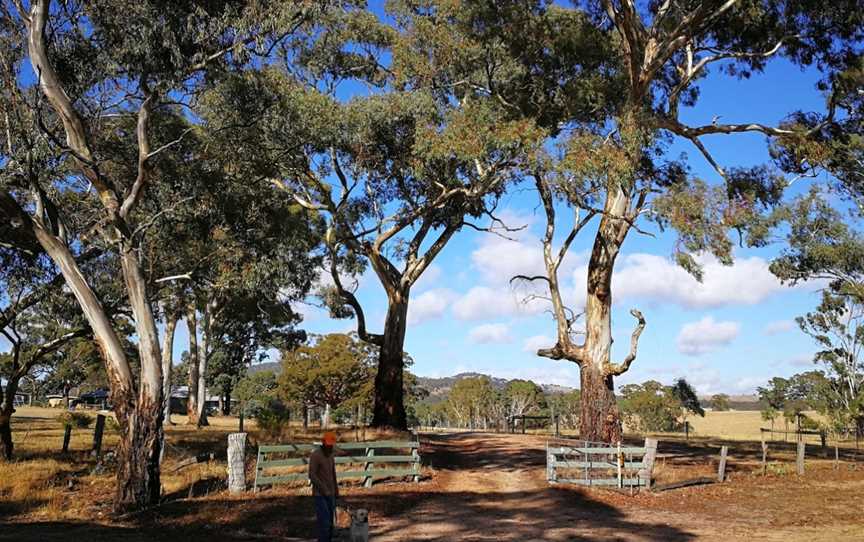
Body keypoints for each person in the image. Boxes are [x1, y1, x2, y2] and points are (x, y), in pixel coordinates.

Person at [309, 431, 339, 542]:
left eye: (331, 444)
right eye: (328, 444)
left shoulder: (331, 455)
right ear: (323, 443)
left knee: (331, 524)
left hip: (331, 494)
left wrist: (336, 490)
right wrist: (324, 490)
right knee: (324, 523)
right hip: (320, 495)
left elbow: (333, 473)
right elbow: (312, 475)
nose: (330, 446)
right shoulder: (315, 455)